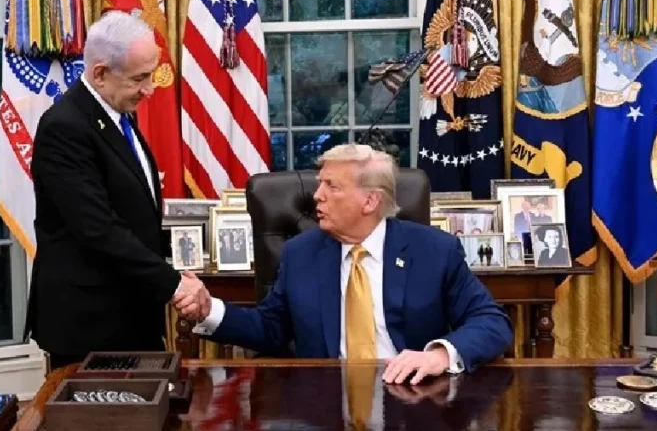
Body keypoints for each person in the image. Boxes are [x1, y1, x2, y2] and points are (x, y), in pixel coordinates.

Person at [187, 144, 513, 386]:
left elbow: (492, 321)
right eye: (320, 184)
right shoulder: (300, 254)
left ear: (370, 201)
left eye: (332, 186)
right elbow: (270, 329)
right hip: (325, 403)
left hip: (413, 398)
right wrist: (208, 310)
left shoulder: (434, 251)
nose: (317, 195)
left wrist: (438, 355)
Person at [25, 11, 208, 367]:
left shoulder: (118, 113)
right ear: (100, 74)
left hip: (132, 314)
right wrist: (174, 285)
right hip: (91, 325)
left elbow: (135, 210)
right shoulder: (65, 128)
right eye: (139, 78)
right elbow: (97, 227)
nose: (150, 89)